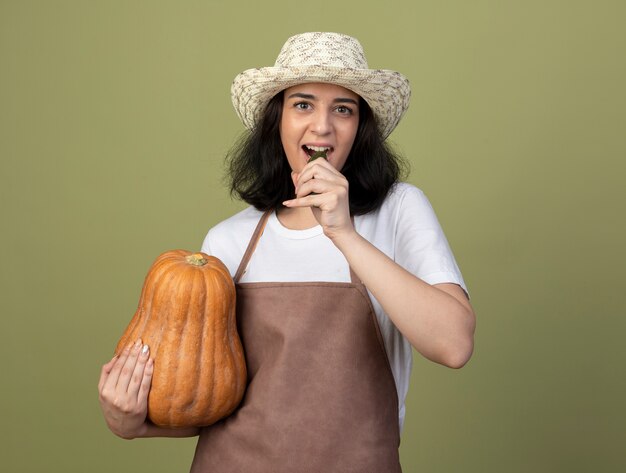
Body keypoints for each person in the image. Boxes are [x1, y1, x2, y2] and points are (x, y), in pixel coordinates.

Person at [98, 32, 476, 472]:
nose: (322, 126)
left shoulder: (398, 209)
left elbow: (454, 344)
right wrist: (134, 423)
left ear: (361, 128)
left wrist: (344, 233)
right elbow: (210, 399)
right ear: (276, 120)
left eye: (343, 109)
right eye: (303, 104)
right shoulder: (228, 241)